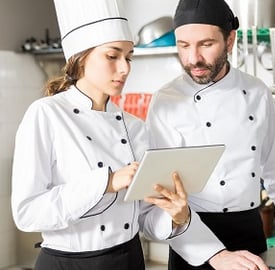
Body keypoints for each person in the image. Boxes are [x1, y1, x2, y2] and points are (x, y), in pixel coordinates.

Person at [145, 0, 275, 269]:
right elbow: (163, 197)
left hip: (249, 230)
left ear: (229, 41)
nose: (193, 59)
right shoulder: (165, 101)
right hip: (191, 234)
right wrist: (214, 254)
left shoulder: (256, 92)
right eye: (183, 46)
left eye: (206, 44)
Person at [10, 0, 191, 269]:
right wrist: (106, 182)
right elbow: (27, 213)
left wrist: (176, 216)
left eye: (128, 57)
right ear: (81, 56)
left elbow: (143, 216)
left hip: (129, 259)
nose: (125, 68)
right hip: (67, 263)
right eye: (112, 55)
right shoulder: (46, 114)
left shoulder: (135, 127)